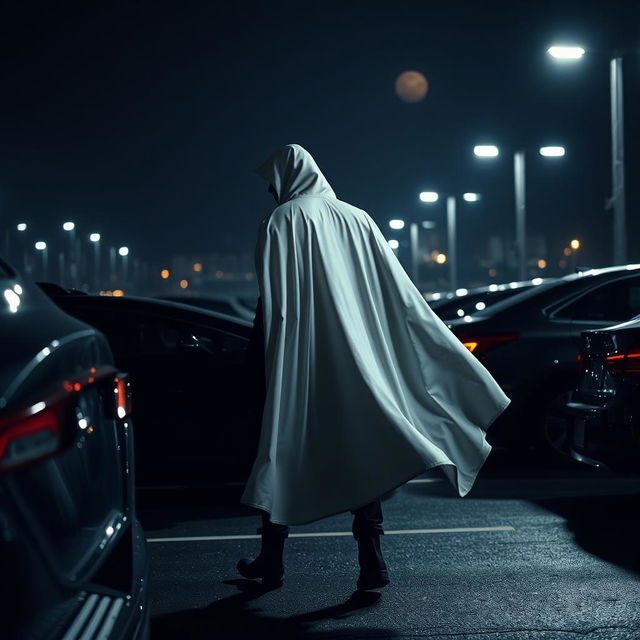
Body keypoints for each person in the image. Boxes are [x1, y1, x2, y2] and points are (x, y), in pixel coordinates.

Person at [237, 144, 510, 591]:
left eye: (272, 182)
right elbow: (392, 293)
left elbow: (275, 303)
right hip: (356, 358)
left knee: (280, 447)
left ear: (286, 178)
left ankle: (272, 557)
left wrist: (260, 359)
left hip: (302, 358)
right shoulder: (359, 219)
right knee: (362, 445)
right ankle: (372, 560)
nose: (270, 191)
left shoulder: (281, 222)